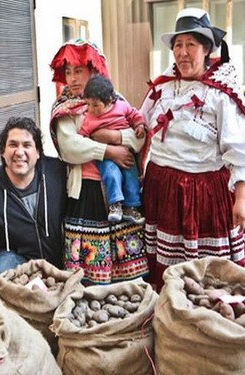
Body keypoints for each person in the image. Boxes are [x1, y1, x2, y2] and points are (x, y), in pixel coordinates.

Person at [139, 8, 245, 291]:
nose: (183, 53)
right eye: (178, 45)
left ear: (206, 49)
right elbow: (140, 125)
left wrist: (241, 199)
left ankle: (213, 323)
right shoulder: (163, 88)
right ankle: (172, 320)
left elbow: (239, 148)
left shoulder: (221, 93)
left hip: (205, 194)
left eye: (190, 45)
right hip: (162, 190)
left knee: (210, 279)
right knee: (166, 275)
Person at [49, 39, 149, 285]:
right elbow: (70, 147)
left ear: (94, 70)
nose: (72, 79)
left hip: (121, 194)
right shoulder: (64, 108)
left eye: (79, 71)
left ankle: (125, 305)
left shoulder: (115, 100)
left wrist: (111, 136)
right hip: (85, 191)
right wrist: (110, 151)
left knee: (125, 261)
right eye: (68, 72)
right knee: (87, 270)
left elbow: (138, 139)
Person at [0, 116, 67, 278]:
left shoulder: (56, 173)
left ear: (37, 152)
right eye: (13, 145)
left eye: (27, 145)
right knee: (0, 267)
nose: (19, 152)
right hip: (20, 265)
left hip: (61, 257)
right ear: (3, 151)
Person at [80, 74, 146, 224]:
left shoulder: (122, 106)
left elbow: (134, 114)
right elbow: (82, 137)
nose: (91, 109)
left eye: (95, 105)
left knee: (131, 176)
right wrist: (92, 142)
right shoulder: (89, 118)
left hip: (126, 151)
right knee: (111, 174)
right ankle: (115, 205)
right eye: (88, 104)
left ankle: (131, 207)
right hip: (106, 154)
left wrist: (139, 126)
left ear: (109, 101)